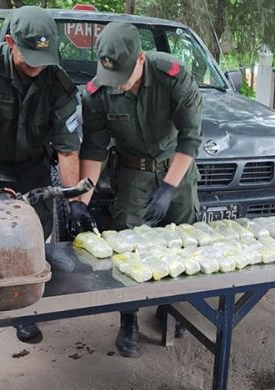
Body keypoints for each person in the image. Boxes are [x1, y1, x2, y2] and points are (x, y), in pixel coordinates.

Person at [0, 5, 91, 344]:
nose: (36, 64)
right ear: (10, 42)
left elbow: (66, 148)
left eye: (43, 56)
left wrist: (75, 198)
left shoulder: (58, 83)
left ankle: (21, 310)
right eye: (29, 55)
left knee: (30, 242)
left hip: (32, 167)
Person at [75, 22, 202, 358]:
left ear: (142, 59)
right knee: (128, 246)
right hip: (133, 172)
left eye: (125, 76)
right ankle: (128, 317)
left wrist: (169, 187)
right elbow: (94, 150)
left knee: (183, 240)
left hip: (177, 167)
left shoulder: (173, 76)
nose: (118, 84)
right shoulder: (97, 93)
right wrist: (81, 200)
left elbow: (190, 138)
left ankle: (171, 307)